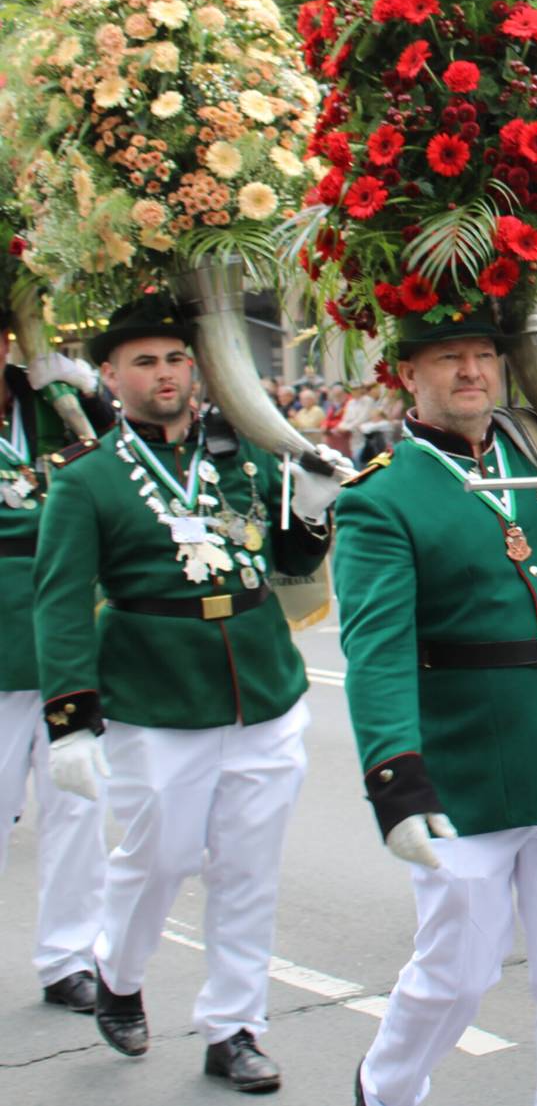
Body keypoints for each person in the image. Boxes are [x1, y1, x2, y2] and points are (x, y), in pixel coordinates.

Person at [333, 309, 537, 1106]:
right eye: (449, 356)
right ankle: (386, 1086)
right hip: (466, 769)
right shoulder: (384, 496)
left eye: (484, 353)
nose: (472, 370)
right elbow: (378, 651)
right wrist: (395, 779)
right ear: (407, 374)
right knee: (458, 972)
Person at [35, 298, 343, 1091]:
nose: (165, 374)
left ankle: (234, 1026)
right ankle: (119, 969)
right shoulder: (88, 478)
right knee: (160, 856)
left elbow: (287, 558)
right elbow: (60, 600)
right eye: (144, 361)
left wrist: (311, 506)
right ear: (110, 376)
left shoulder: (242, 454)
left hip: (262, 686)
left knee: (248, 867)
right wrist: (70, 719)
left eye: (176, 357)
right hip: (156, 694)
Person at [0, 314, 114, 1017]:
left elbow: (120, 473)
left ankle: (68, 957)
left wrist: (93, 395)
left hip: (67, 642)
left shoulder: (50, 398)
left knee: (79, 807)